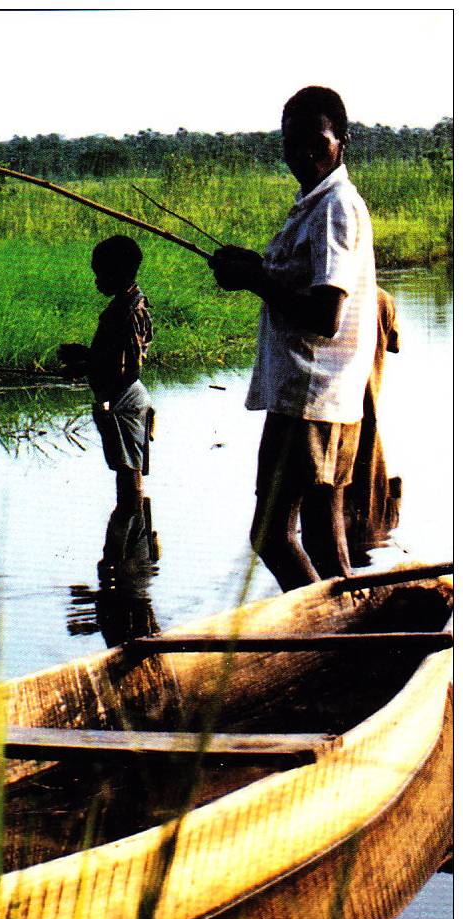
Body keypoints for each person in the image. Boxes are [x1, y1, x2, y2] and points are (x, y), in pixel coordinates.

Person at [210, 86, 377, 590]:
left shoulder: (334, 207)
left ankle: (322, 639)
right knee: (323, 540)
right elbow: (301, 281)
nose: (302, 153)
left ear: (341, 142)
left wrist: (255, 280)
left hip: (311, 393)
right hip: (319, 395)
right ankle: (348, 637)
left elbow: (326, 314)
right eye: (292, 143)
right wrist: (257, 268)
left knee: (273, 534)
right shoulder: (316, 203)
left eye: (315, 141)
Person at [58, 235, 154, 508]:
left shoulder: (128, 311)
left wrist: (85, 367)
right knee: (126, 470)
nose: (97, 281)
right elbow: (115, 355)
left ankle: (128, 530)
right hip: (121, 398)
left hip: (123, 401)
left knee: (128, 473)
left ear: (119, 273)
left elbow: (129, 368)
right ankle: (129, 534)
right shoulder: (124, 305)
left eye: (101, 274)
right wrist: (86, 355)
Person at [343, 287, 401, 561]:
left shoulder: (331, 296)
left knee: (339, 494)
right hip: (369, 408)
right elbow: (395, 345)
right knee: (369, 487)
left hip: (337, 409)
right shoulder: (383, 298)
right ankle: (363, 538)